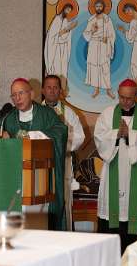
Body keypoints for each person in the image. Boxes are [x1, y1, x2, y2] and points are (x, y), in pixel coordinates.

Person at [0, 78, 68, 231]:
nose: (17, 98)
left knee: (40, 226)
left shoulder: (46, 114)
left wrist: (33, 136)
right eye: (13, 95)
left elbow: (61, 131)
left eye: (21, 93)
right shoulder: (8, 117)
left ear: (31, 93)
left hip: (41, 182)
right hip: (14, 180)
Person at [94, 78, 137, 254]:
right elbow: (99, 138)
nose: (124, 101)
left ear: (136, 95)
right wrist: (116, 134)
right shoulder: (107, 114)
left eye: (129, 98)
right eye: (121, 97)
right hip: (113, 168)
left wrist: (130, 134)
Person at [42, 74, 85, 230]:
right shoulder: (36, 112)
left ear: (60, 90)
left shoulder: (69, 113)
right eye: (49, 87)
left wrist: (59, 144)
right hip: (41, 166)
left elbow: (80, 136)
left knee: (63, 200)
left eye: (55, 87)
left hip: (63, 163)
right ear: (43, 90)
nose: (52, 91)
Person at [83, 0, 115, 99]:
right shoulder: (91, 20)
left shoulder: (107, 20)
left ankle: (108, 90)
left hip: (104, 46)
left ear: (104, 7)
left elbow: (112, 34)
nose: (98, 7)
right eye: (97, 6)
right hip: (93, 45)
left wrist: (108, 39)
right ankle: (96, 89)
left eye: (100, 6)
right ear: (94, 8)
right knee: (94, 67)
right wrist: (92, 30)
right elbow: (85, 34)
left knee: (105, 67)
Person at [44, 0, 79, 93]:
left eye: (69, 11)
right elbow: (54, 35)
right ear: (63, 9)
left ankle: (61, 91)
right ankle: (53, 92)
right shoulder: (57, 19)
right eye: (67, 9)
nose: (68, 12)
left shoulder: (65, 20)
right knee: (56, 72)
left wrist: (69, 28)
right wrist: (69, 28)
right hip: (55, 51)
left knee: (62, 71)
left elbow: (65, 36)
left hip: (62, 50)